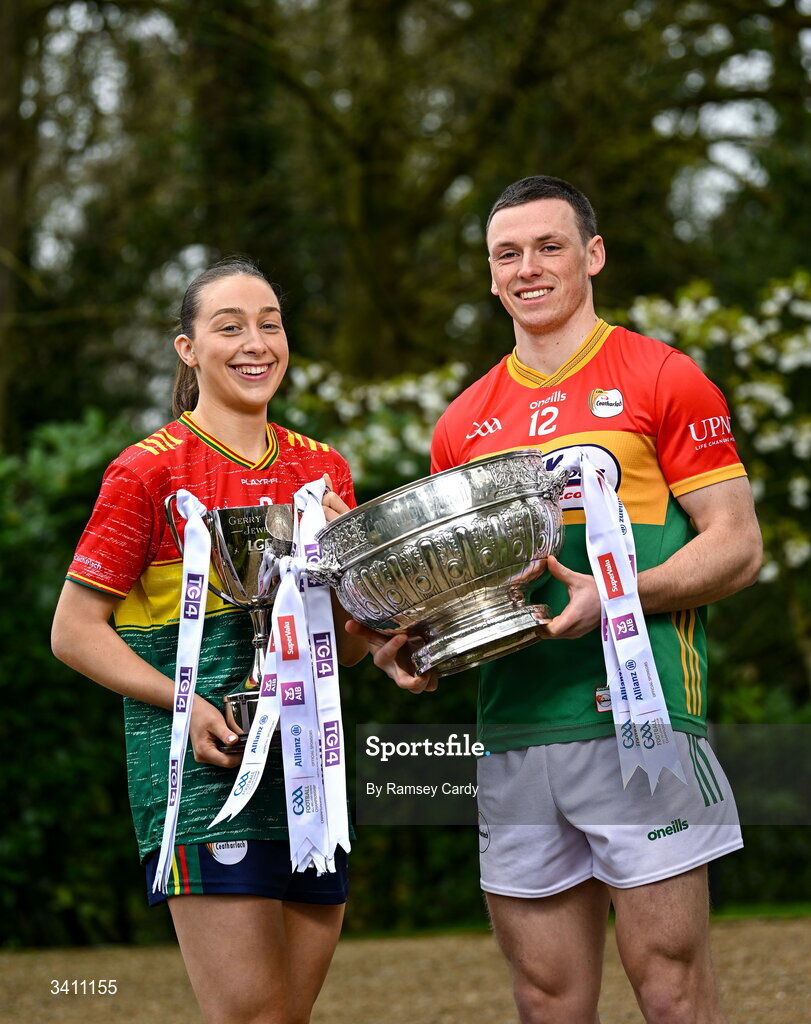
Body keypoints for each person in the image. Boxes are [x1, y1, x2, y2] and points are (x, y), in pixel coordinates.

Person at [349, 176, 762, 1023]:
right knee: (545, 999)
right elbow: (461, 580)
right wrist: (413, 638)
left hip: (638, 716)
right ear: (490, 275)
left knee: (671, 990)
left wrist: (615, 597)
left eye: (549, 246)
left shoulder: (663, 376)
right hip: (514, 730)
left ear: (592, 254)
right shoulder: (463, 421)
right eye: (508, 253)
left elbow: (735, 544)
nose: (527, 267)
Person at [52, 257, 367, 1024]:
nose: (254, 343)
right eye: (228, 327)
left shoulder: (320, 468)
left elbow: (344, 645)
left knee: (286, 1016)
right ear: (187, 349)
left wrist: (390, 630)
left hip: (308, 775)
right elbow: (72, 632)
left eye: (269, 323)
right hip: (198, 778)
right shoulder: (146, 473)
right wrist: (187, 704)